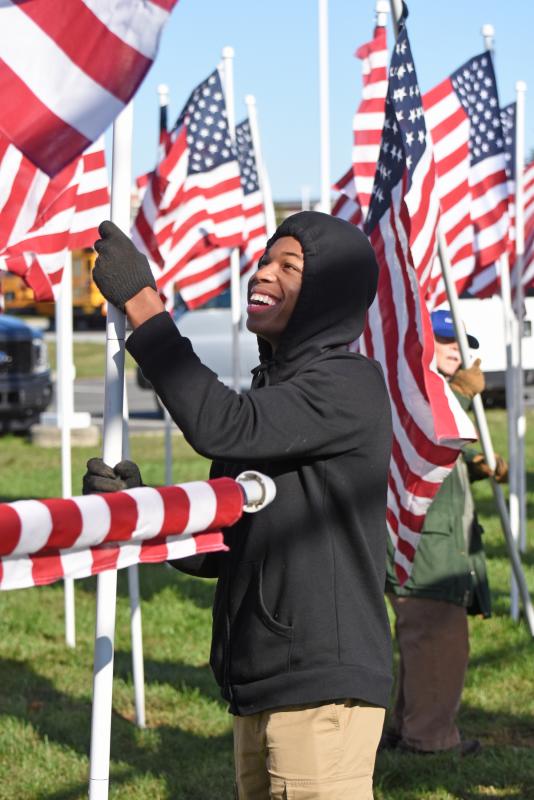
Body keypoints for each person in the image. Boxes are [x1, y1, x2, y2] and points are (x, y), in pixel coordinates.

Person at [83, 211, 393, 799]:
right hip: (262, 681)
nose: (263, 273)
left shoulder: (348, 383)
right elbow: (229, 539)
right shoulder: (275, 391)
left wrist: (145, 308)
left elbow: (219, 426)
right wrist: (143, 515)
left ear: (328, 294)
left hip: (319, 686)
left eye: (290, 265)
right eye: (265, 259)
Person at [382, 308, 508, 756]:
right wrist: (457, 393)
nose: (457, 351)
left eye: (461, 344)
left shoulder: (428, 389)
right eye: (445, 340)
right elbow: (416, 434)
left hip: (435, 540)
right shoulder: (416, 389)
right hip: (424, 545)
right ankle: (428, 741)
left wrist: (472, 469)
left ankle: (406, 729)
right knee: (437, 640)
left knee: (424, 642)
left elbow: (429, 464)